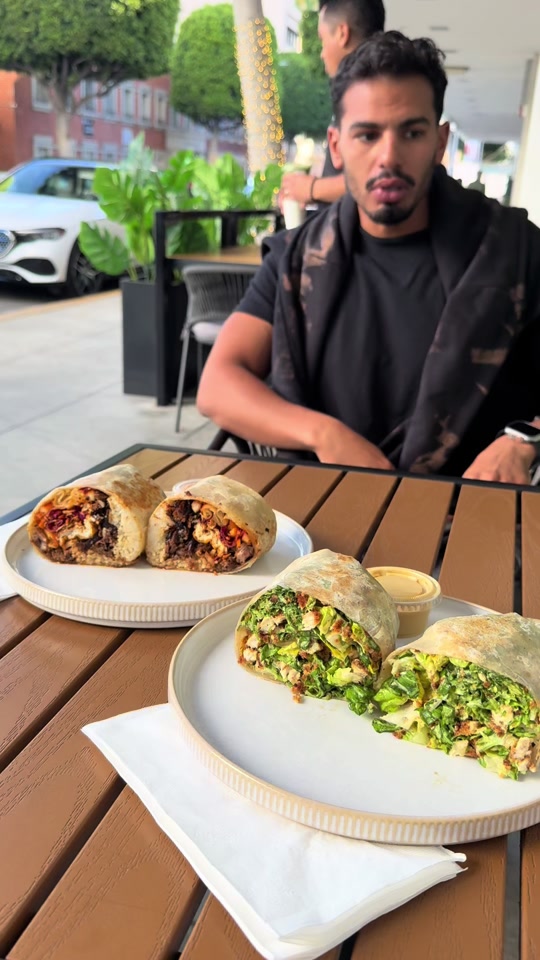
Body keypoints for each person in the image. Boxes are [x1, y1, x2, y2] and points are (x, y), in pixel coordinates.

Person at [197, 32, 540, 485]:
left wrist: (523, 440)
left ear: (439, 142)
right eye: (367, 134)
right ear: (337, 146)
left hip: (469, 511)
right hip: (325, 509)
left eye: (412, 133)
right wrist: (324, 434)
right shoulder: (295, 262)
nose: (389, 157)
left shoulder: (513, 250)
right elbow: (218, 383)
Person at [281, 0, 385, 211]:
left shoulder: (374, 91)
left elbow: (381, 178)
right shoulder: (362, 88)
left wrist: (312, 188)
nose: (321, 53)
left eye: (322, 39)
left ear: (342, 33)